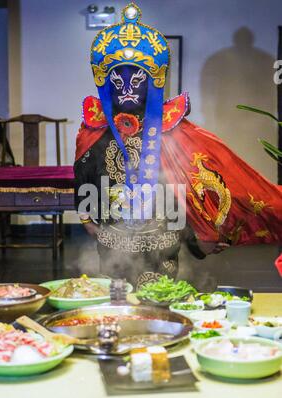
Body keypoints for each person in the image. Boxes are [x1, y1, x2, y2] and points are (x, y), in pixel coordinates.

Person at [74, 3, 282, 288]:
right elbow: (83, 178)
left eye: (137, 80)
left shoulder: (173, 129)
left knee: (164, 298)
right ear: (104, 82)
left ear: (154, 81)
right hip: (113, 238)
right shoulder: (94, 129)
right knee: (116, 301)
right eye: (117, 80)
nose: (127, 90)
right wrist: (89, 221)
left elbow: (202, 185)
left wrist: (204, 232)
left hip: (164, 238)